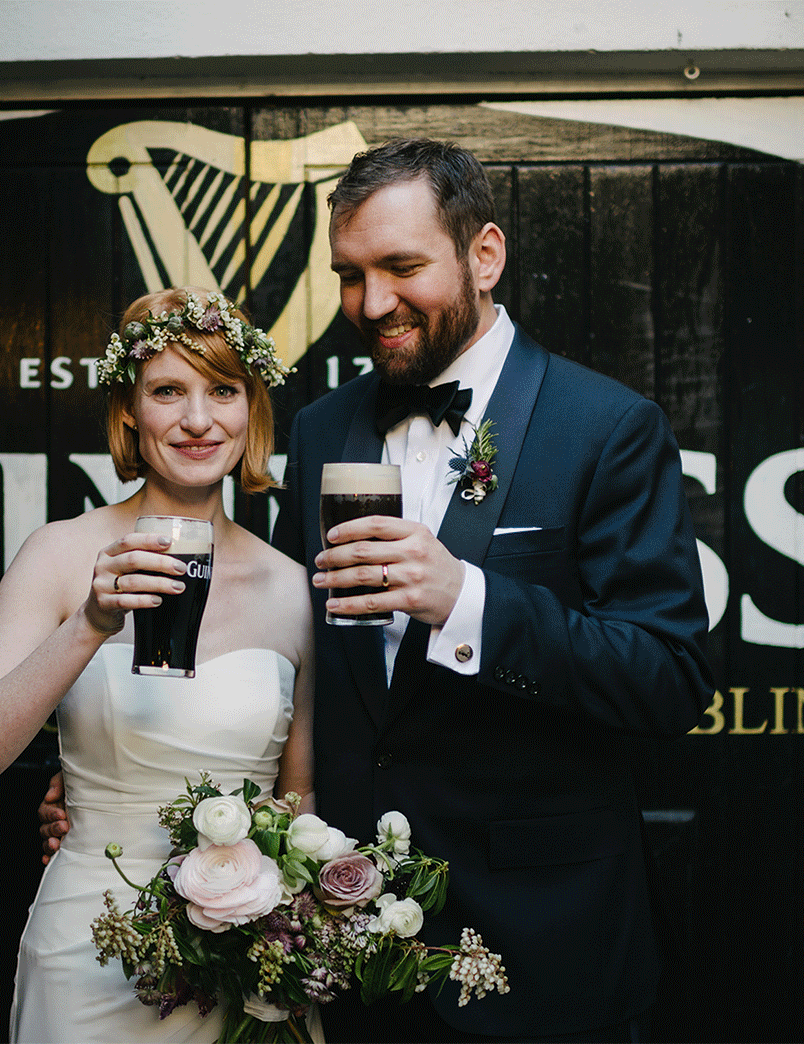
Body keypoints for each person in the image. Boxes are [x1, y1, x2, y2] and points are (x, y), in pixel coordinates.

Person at [42, 139, 714, 1042]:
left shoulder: (607, 428)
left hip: (542, 944)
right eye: (350, 276)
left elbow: (668, 677)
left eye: (401, 268)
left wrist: (464, 599)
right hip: (345, 950)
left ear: (485, 255)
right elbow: (280, 664)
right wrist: (110, 792)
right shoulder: (325, 428)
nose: (372, 304)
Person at [0, 287, 315, 1044]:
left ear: (252, 411)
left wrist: (279, 939)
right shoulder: (60, 553)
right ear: (128, 412)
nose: (199, 421)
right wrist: (91, 622)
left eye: (224, 392)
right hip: (90, 952)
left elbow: (299, 807)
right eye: (168, 391)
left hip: (242, 970)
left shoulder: (294, 588)